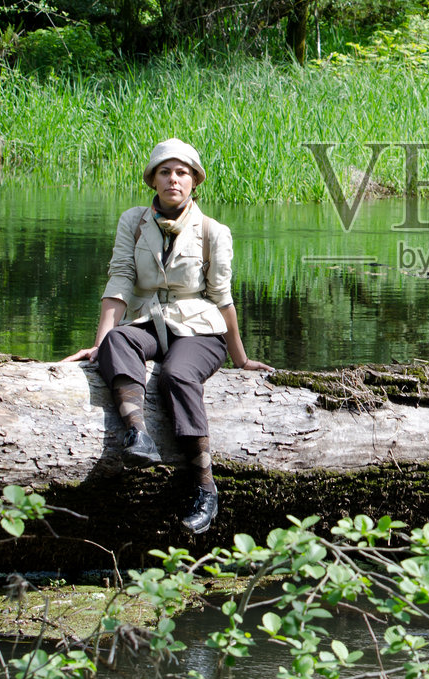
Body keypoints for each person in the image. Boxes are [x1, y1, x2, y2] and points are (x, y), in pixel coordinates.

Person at [62, 138, 272, 534]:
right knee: (116, 342)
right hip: (148, 323)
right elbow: (121, 279)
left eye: (182, 172)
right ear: (153, 180)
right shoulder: (134, 222)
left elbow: (223, 299)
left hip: (201, 331)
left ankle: (205, 487)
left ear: (194, 181)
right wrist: (100, 341)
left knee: (177, 374)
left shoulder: (214, 231)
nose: (173, 179)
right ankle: (138, 435)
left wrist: (241, 359)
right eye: (165, 171)